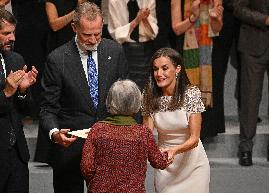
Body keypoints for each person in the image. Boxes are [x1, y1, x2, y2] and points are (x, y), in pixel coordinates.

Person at [38, 2, 128, 193]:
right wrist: (54, 133)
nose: (94, 39)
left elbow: (125, 99)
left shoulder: (115, 52)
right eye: (87, 35)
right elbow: (48, 108)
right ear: (74, 27)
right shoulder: (57, 59)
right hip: (70, 149)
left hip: (107, 147)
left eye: (98, 33)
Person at [81, 79, 168, 192]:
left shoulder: (97, 129)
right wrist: (167, 154)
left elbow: (86, 168)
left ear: (110, 101)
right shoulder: (143, 133)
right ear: (137, 102)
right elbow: (159, 162)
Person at [142, 47, 210, 193]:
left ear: (177, 69)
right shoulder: (149, 96)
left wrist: (174, 150)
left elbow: (195, 138)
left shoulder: (191, 94)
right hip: (165, 165)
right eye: (155, 69)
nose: (159, 74)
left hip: (193, 165)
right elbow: (146, 135)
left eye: (165, 68)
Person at [234, 0, 269, 166]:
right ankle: (246, 148)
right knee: (250, 97)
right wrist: (266, 19)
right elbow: (239, 9)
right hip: (253, 43)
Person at [171, 0, 223, 137]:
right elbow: (177, 29)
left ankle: (201, 140)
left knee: (203, 98)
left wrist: (215, 18)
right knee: (185, 95)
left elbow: (217, 29)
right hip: (185, 50)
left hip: (207, 53)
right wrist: (194, 16)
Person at [0, 8, 38, 193]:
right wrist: (6, 92)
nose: (13, 37)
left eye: (13, 32)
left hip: (17, 155)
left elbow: (26, 110)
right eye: (6, 33)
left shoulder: (16, 60)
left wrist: (23, 91)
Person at [108, 0, 158, 90]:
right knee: (128, 88)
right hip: (126, 49)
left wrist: (144, 18)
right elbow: (116, 34)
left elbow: (153, 32)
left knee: (147, 87)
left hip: (147, 49)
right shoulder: (114, 1)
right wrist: (137, 19)